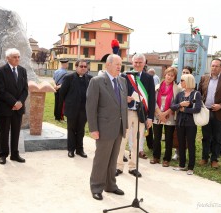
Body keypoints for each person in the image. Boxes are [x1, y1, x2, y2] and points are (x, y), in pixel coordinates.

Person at [86, 54, 128, 201]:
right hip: (104, 128)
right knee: (101, 159)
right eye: (117, 63)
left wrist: (126, 125)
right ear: (108, 65)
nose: (119, 66)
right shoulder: (96, 81)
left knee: (113, 159)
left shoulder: (122, 81)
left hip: (119, 127)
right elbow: (91, 107)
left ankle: (110, 185)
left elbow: (123, 105)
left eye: (120, 64)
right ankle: (96, 187)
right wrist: (93, 128)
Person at [116, 53, 155, 178]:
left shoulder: (149, 78)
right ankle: (119, 166)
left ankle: (133, 167)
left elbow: (152, 99)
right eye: (135, 62)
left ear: (144, 63)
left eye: (140, 62)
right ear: (132, 63)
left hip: (141, 114)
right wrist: (124, 98)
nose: (138, 64)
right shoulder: (125, 75)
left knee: (137, 141)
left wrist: (150, 117)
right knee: (123, 140)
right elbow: (117, 93)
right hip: (126, 112)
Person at [198, 58, 221, 168]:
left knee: (217, 138)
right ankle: (205, 157)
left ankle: (214, 159)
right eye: (212, 65)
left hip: (219, 113)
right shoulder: (204, 78)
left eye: (216, 66)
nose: (214, 68)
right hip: (206, 112)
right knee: (206, 136)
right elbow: (199, 93)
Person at [0, 48, 28, 165]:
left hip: (18, 109)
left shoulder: (23, 70)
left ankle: (15, 154)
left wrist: (20, 102)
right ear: (8, 58)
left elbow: (25, 90)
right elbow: (1, 90)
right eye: (14, 57)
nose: (17, 59)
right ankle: (3, 155)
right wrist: (14, 103)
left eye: (18, 57)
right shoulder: (0, 71)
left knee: (16, 131)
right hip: (5, 107)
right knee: (4, 132)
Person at [59, 59, 92, 158]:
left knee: (81, 130)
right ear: (76, 67)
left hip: (84, 110)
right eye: (81, 66)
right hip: (72, 110)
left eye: (85, 67)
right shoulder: (69, 78)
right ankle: (71, 150)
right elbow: (62, 93)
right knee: (71, 130)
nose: (83, 68)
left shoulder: (90, 78)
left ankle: (80, 150)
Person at [150, 67, 181, 167]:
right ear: (165, 75)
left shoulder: (177, 89)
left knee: (168, 139)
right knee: (157, 137)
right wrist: (160, 113)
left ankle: (167, 159)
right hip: (157, 115)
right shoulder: (157, 87)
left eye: (172, 75)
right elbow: (153, 101)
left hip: (170, 116)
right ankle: (156, 157)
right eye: (168, 74)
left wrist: (166, 113)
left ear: (174, 77)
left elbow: (176, 103)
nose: (169, 77)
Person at [171, 74, 201, 175]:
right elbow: (173, 107)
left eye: (182, 80)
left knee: (191, 144)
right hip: (180, 123)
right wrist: (181, 105)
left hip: (191, 124)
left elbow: (197, 109)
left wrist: (185, 109)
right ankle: (181, 164)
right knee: (181, 144)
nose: (181, 82)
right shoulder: (180, 94)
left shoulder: (196, 94)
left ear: (188, 81)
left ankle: (191, 167)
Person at [172, 66, 194, 161]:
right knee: (177, 135)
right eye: (183, 72)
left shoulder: (193, 89)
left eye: (187, 72)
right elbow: (174, 102)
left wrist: (185, 109)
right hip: (177, 115)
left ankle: (187, 156)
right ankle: (177, 153)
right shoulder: (178, 85)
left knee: (187, 137)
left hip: (189, 118)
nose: (184, 74)